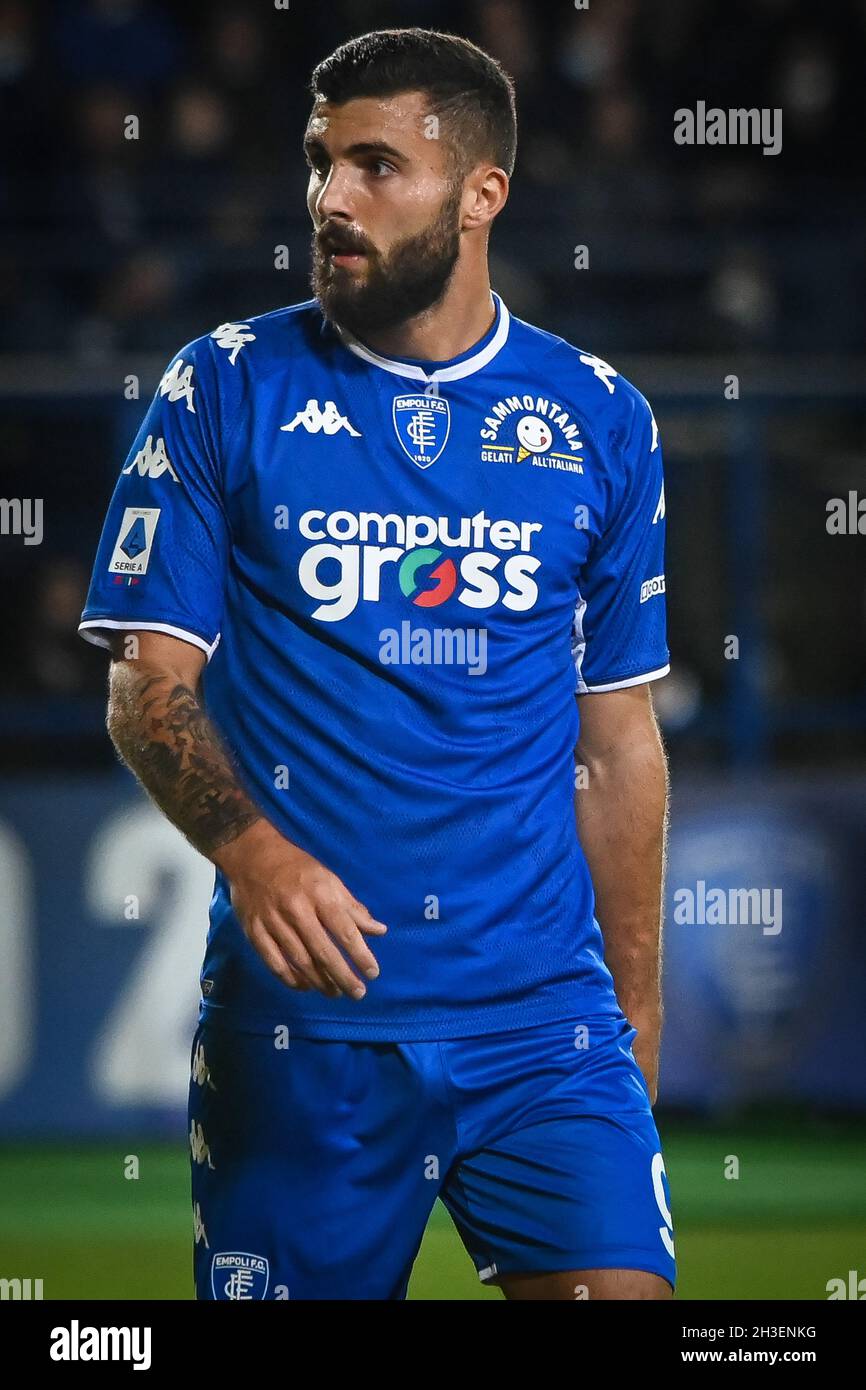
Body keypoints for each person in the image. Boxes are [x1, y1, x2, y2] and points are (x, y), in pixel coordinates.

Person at [79, 28, 674, 1301]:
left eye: (374, 165)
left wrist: (635, 1012)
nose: (329, 200)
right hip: (307, 1035)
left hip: (541, 1031)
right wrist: (255, 851)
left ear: (479, 194)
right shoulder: (222, 388)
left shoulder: (599, 416)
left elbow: (616, 740)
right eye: (317, 162)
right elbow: (144, 686)